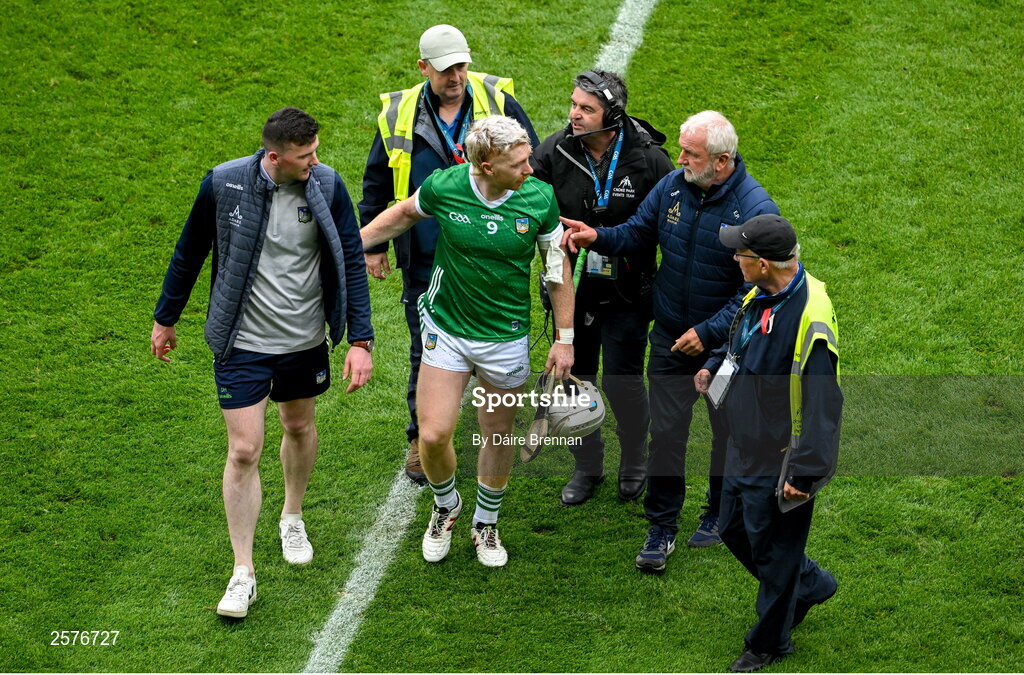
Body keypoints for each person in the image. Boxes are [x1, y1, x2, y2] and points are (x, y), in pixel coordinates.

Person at [150, 107, 374, 619]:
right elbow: (190, 251)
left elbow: (351, 260)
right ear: (273, 157)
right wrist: (166, 318)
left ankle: (291, 515)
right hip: (242, 344)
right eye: (304, 156)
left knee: (298, 425)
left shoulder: (327, 186)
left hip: (303, 341)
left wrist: (360, 339)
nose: (315, 163)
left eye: (316, 152)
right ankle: (243, 572)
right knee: (245, 448)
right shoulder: (224, 184)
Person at [561, 110, 779, 570]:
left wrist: (707, 333)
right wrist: (596, 235)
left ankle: (719, 511)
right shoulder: (676, 186)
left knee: (726, 434)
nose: (677, 158)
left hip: (725, 350)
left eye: (690, 153)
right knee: (666, 436)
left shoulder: (755, 210)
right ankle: (661, 526)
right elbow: (639, 231)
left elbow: (754, 290)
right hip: (669, 340)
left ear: (721, 162)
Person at [361, 115, 573, 568]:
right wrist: (357, 245)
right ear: (485, 165)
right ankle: (445, 505)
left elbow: (557, 270)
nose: (530, 170)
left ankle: (486, 522)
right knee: (433, 435)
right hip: (448, 327)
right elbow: (402, 213)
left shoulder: (538, 197)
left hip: (505, 337)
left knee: (496, 434)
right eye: (518, 163)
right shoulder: (447, 185)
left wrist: (564, 338)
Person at [359, 24, 539, 486]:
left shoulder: (496, 99)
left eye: (461, 65)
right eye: (446, 70)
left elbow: (528, 162)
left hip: (489, 254)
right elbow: (378, 180)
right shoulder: (398, 114)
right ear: (423, 69)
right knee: (425, 347)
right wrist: (375, 244)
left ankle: (490, 432)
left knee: (490, 344)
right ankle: (420, 440)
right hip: (424, 253)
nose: (457, 76)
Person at [694, 215, 841, 672]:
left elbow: (823, 402)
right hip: (744, 441)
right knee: (733, 527)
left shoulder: (809, 315)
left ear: (761, 262)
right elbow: (740, 337)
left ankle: (768, 642)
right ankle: (811, 583)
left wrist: (807, 472)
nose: (733, 257)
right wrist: (714, 363)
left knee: (776, 555)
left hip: (781, 459)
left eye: (739, 253)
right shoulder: (763, 291)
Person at [530, 70, 674, 505]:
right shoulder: (555, 150)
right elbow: (524, 194)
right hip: (571, 293)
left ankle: (634, 460)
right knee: (575, 378)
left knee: (622, 382)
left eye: (586, 109)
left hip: (628, 294)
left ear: (611, 115)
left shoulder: (650, 159)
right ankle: (587, 465)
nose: (574, 114)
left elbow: (668, 226)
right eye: (573, 104)